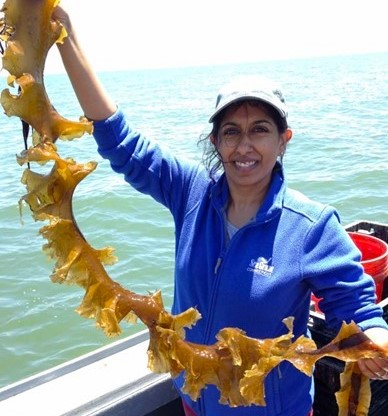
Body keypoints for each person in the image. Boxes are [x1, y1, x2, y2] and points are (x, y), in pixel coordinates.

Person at [52, 6, 388, 416]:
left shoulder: (312, 226)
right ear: (215, 142)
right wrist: (65, 33)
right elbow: (119, 140)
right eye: (231, 132)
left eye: (260, 130)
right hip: (196, 403)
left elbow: (356, 307)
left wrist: (375, 338)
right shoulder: (189, 192)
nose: (244, 146)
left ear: (284, 140)